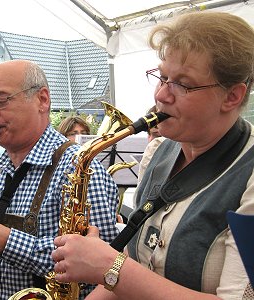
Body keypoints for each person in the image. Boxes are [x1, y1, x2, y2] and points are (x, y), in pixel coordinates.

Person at [51, 11, 254, 299]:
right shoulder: (157, 151)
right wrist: (109, 270)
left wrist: (107, 265)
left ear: (232, 96)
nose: (161, 95)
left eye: (183, 83)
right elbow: (132, 264)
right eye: (163, 77)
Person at [0, 60, 119, 299]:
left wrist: (8, 243)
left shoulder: (80, 169)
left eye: (0, 101)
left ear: (42, 100)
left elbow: (104, 267)